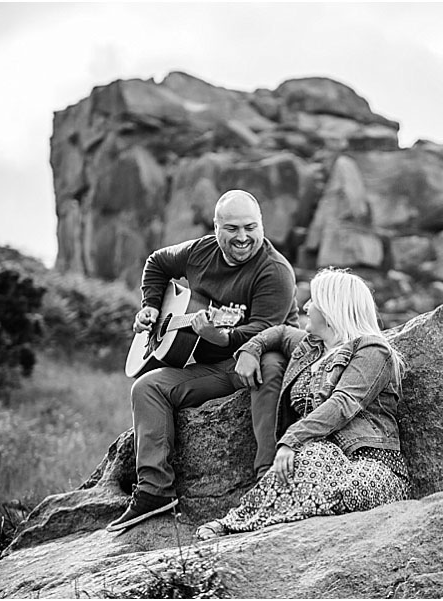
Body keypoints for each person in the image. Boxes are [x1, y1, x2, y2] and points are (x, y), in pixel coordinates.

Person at [107, 190, 299, 532]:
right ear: (216, 227)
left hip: (257, 356)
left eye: (251, 227)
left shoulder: (275, 272)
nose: (243, 237)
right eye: (233, 228)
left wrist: (221, 337)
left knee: (268, 364)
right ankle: (155, 492)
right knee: (147, 388)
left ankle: (268, 478)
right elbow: (156, 263)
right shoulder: (200, 252)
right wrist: (152, 305)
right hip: (211, 364)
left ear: (262, 225)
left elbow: (266, 331)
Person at [194, 268, 409, 539]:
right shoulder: (311, 347)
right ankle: (238, 524)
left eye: (314, 301)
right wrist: (251, 349)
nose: (306, 306)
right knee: (311, 457)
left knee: (313, 459)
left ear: (332, 309)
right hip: (320, 460)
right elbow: (281, 333)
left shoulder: (372, 350)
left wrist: (291, 440)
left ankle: (239, 525)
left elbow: (343, 403)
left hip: (371, 465)